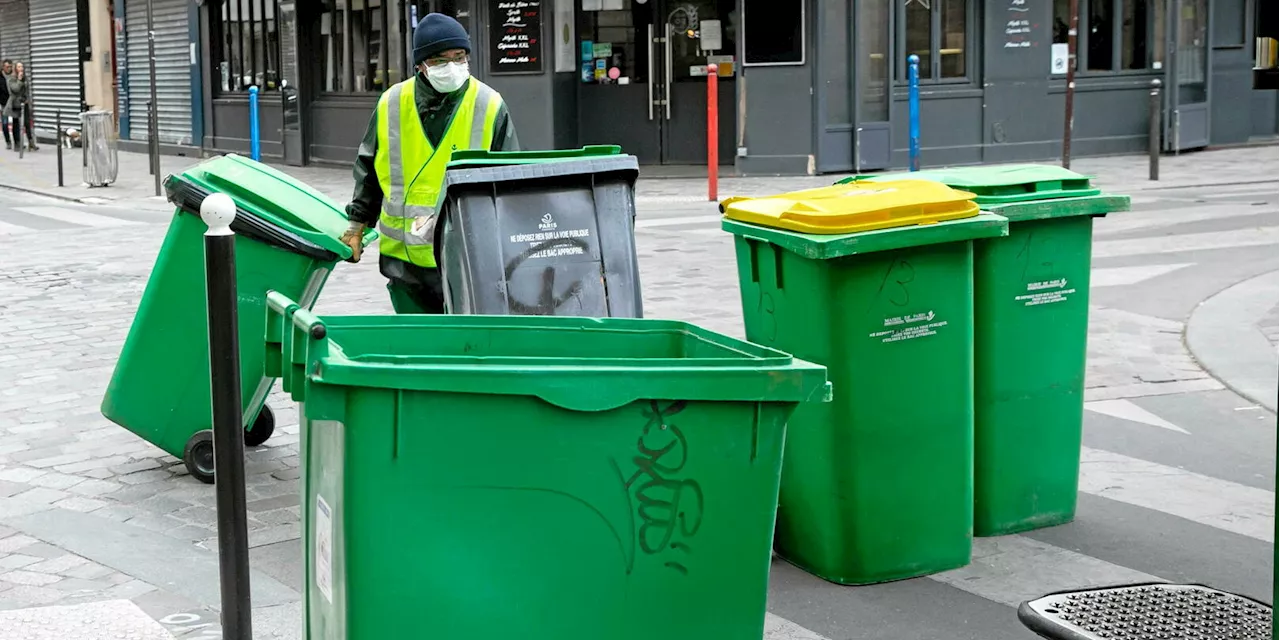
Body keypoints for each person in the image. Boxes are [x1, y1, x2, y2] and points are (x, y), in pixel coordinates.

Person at [339, 13, 519, 314]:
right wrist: (357, 226)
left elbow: (510, 182)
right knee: (417, 346)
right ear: (420, 65)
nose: (452, 66)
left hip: (467, 258)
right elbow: (369, 173)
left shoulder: (489, 105)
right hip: (404, 263)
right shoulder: (391, 104)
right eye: (439, 60)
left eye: (459, 56)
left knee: (462, 349)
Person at [5, 62, 36, 152]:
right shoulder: (11, 78)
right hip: (15, 103)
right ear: (15, 68)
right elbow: (15, 89)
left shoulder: (25, 77)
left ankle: (31, 142)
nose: (21, 68)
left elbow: (27, 90)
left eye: (22, 66)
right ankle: (17, 143)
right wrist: (19, 79)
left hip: (24, 102)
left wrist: (28, 100)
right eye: (19, 66)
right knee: (16, 123)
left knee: (27, 122)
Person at [1, 60, 12, 150]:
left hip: (14, 102)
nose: (9, 68)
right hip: (4, 103)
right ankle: (8, 141)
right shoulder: (1, 77)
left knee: (18, 123)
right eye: (7, 67)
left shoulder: (13, 76)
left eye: (10, 66)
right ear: (3, 67)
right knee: (5, 124)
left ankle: (18, 142)